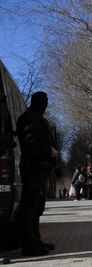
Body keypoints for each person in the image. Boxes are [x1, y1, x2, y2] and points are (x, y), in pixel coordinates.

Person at [16, 91, 59, 256]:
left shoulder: (35, 118)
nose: (46, 104)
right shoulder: (30, 120)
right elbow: (31, 144)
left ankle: (36, 240)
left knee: (36, 207)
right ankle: (30, 245)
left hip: (39, 170)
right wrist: (49, 152)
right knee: (30, 208)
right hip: (33, 169)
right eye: (44, 101)